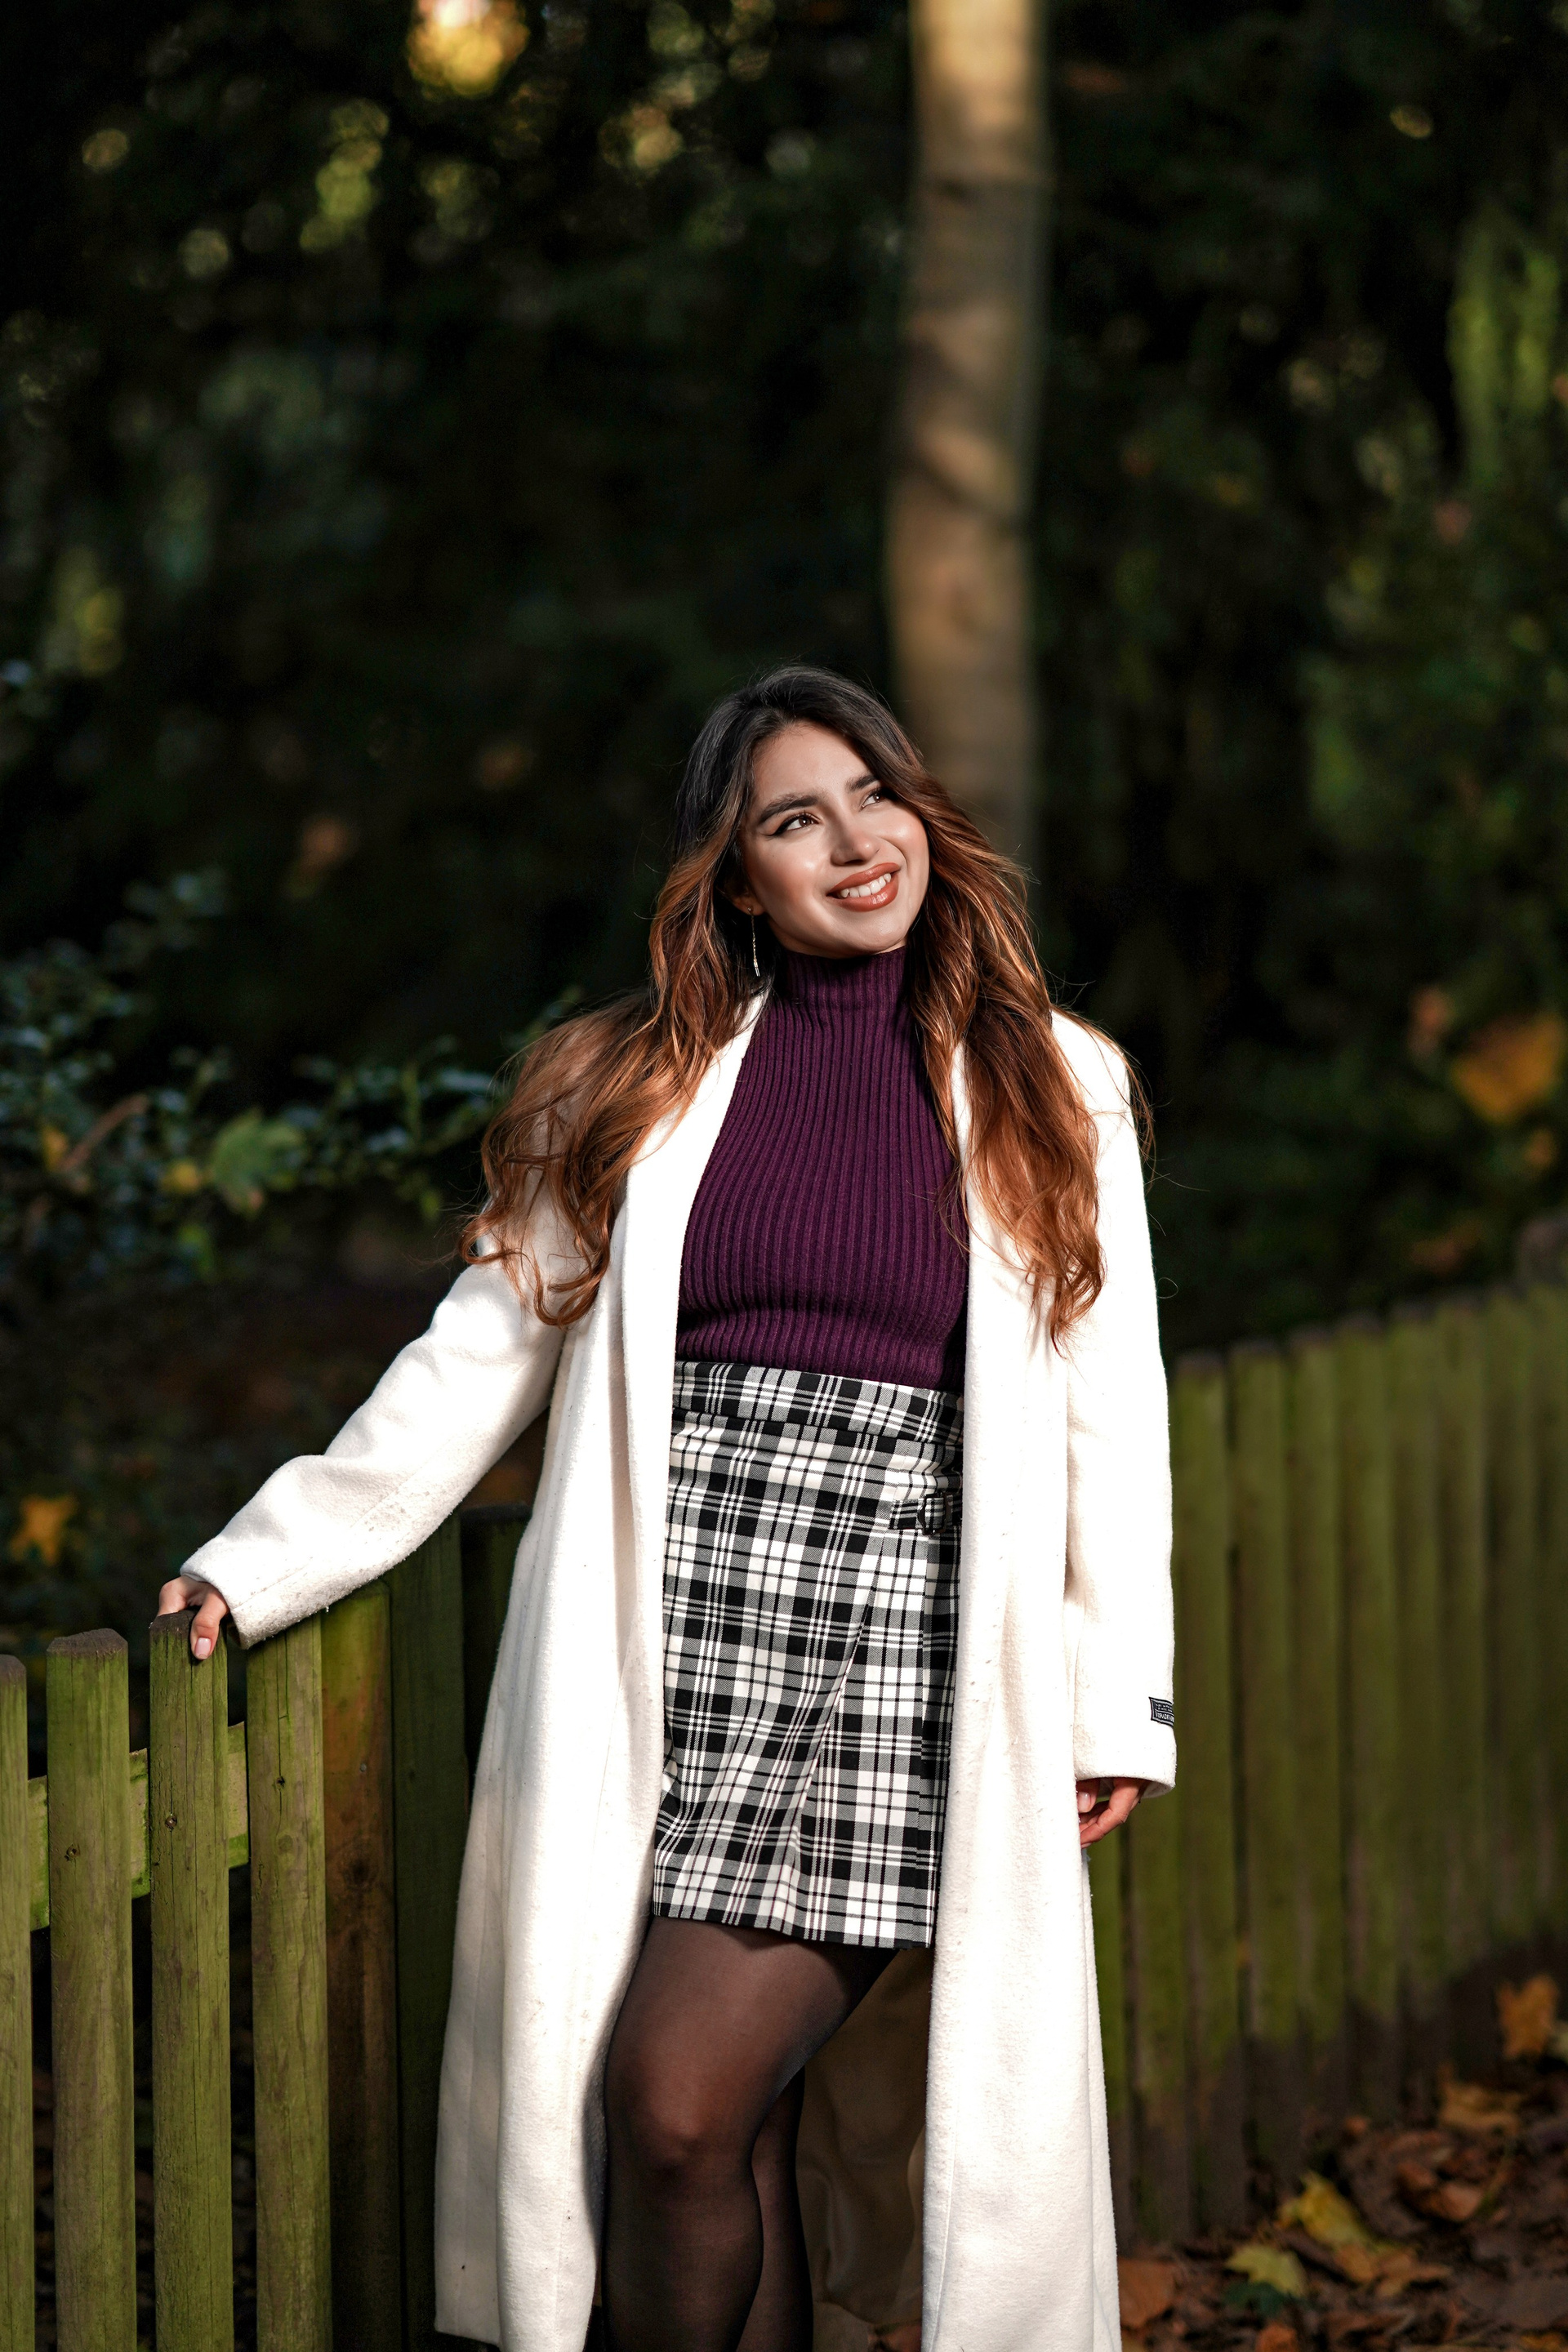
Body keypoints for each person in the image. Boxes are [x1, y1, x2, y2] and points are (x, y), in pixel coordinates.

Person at [159, 666, 1175, 2352]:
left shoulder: (1059, 1083)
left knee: (675, 2098)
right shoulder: (632, 1082)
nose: (855, 842)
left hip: (893, 1644)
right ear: (738, 877)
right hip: (668, 1631)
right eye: (796, 819)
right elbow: (478, 1353)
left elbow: (1108, 1408)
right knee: (729, 2134)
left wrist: (1112, 1696)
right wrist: (266, 1559)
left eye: (875, 795)